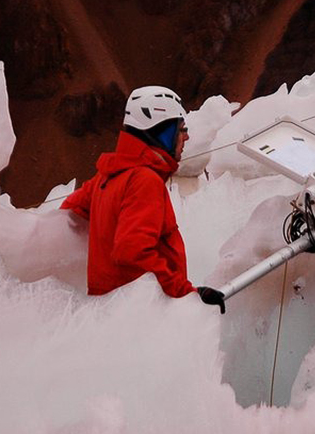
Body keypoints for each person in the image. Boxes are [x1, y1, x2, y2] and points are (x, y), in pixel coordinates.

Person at [62, 86, 226, 312]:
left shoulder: (107, 177)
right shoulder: (144, 180)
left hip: (110, 311)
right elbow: (132, 251)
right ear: (162, 132)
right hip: (142, 316)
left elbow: (68, 213)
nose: (186, 136)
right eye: (181, 128)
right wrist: (185, 292)